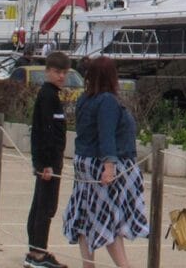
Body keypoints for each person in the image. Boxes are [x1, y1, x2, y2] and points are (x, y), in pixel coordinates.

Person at [61, 57, 148, 268]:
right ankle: (124, 266)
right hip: (103, 165)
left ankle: (88, 264)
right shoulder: (107, 100)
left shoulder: (85, 99)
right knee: (109, 220)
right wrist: (109, 167)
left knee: (85, 216)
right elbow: (106, 135)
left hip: (85, 162)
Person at [25, 51, 71, 268]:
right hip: (49, 164)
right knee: (45, 207)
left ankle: (35, 250)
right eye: (57, 72)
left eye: (64, 72)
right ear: (48, 72)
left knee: (40, 206)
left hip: (50, 162)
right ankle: (38, 254)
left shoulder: (52, 95)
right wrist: (45, 164)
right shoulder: (48, 96)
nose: (61, 76)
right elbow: (45, 132)